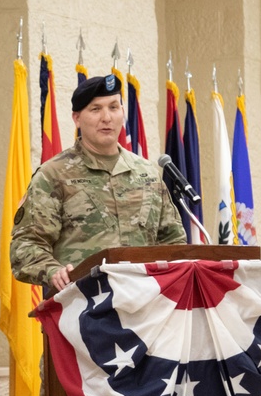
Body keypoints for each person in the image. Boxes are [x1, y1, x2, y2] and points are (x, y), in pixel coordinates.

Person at [11, 73, 187, 290]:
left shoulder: (147, 173)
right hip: (81, 309)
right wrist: (52, 271)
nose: (107, 118)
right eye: (96, 109)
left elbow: (173, 241)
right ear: (77, 118)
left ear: (123, 112)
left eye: (114, 107)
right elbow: (25, 245)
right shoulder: (53, 175)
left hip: (144, 309)